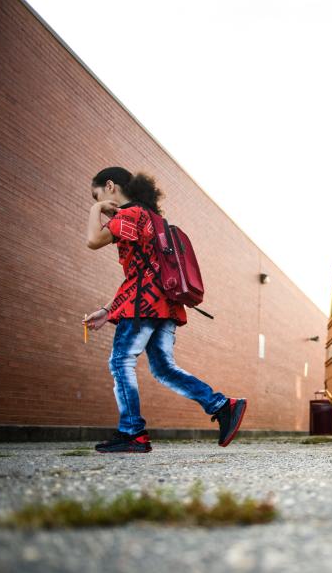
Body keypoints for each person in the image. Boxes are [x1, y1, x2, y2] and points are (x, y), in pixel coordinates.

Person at [83, 167, 246, 453]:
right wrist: (107, 310)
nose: (101, 204)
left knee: (121, 361)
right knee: (163, 368)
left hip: (142, 305)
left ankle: (132, 432)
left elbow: (93, 241)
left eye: (98, 194)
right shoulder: (153, 218)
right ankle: (222, 405)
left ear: (110, 187)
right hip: (165, 304)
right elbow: (142, 272)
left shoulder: (129, 215)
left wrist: (96, 208)